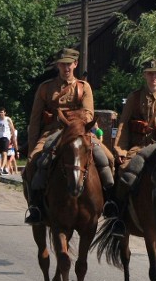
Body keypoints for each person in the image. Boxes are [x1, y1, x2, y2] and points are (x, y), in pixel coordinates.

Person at [23, 47, 117, 225]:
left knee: (108, 159)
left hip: (80, 132)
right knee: (33, 163)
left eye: (69, 64)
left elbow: (89, 115)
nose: (66, 68)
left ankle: (109, 202)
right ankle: (35, 206)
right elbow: (35, 120)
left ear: (75, 64)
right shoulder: (45, 88)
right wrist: (32, 145)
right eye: (62, 64)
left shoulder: (84, 87)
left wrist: (74, 124)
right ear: (58, 65)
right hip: (52, 132)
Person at [110, 58, 156, 237]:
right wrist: (120, 150)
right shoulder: (134, 97)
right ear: (145, 75)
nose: (153, 77)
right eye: (150, 74)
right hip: (138, 147)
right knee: (124, 171)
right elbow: (124, 124)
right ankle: (119, 215)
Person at [0, 107, 16, 175]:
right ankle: (6, 169)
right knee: (2, 154)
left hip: (6, 137)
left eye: (2, 112)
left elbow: (12, 128)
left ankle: (1, 168)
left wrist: (13, 138)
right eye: (0, 112)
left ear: (5, 113)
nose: (1, 114)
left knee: (4, 153)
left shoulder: (8, 119)